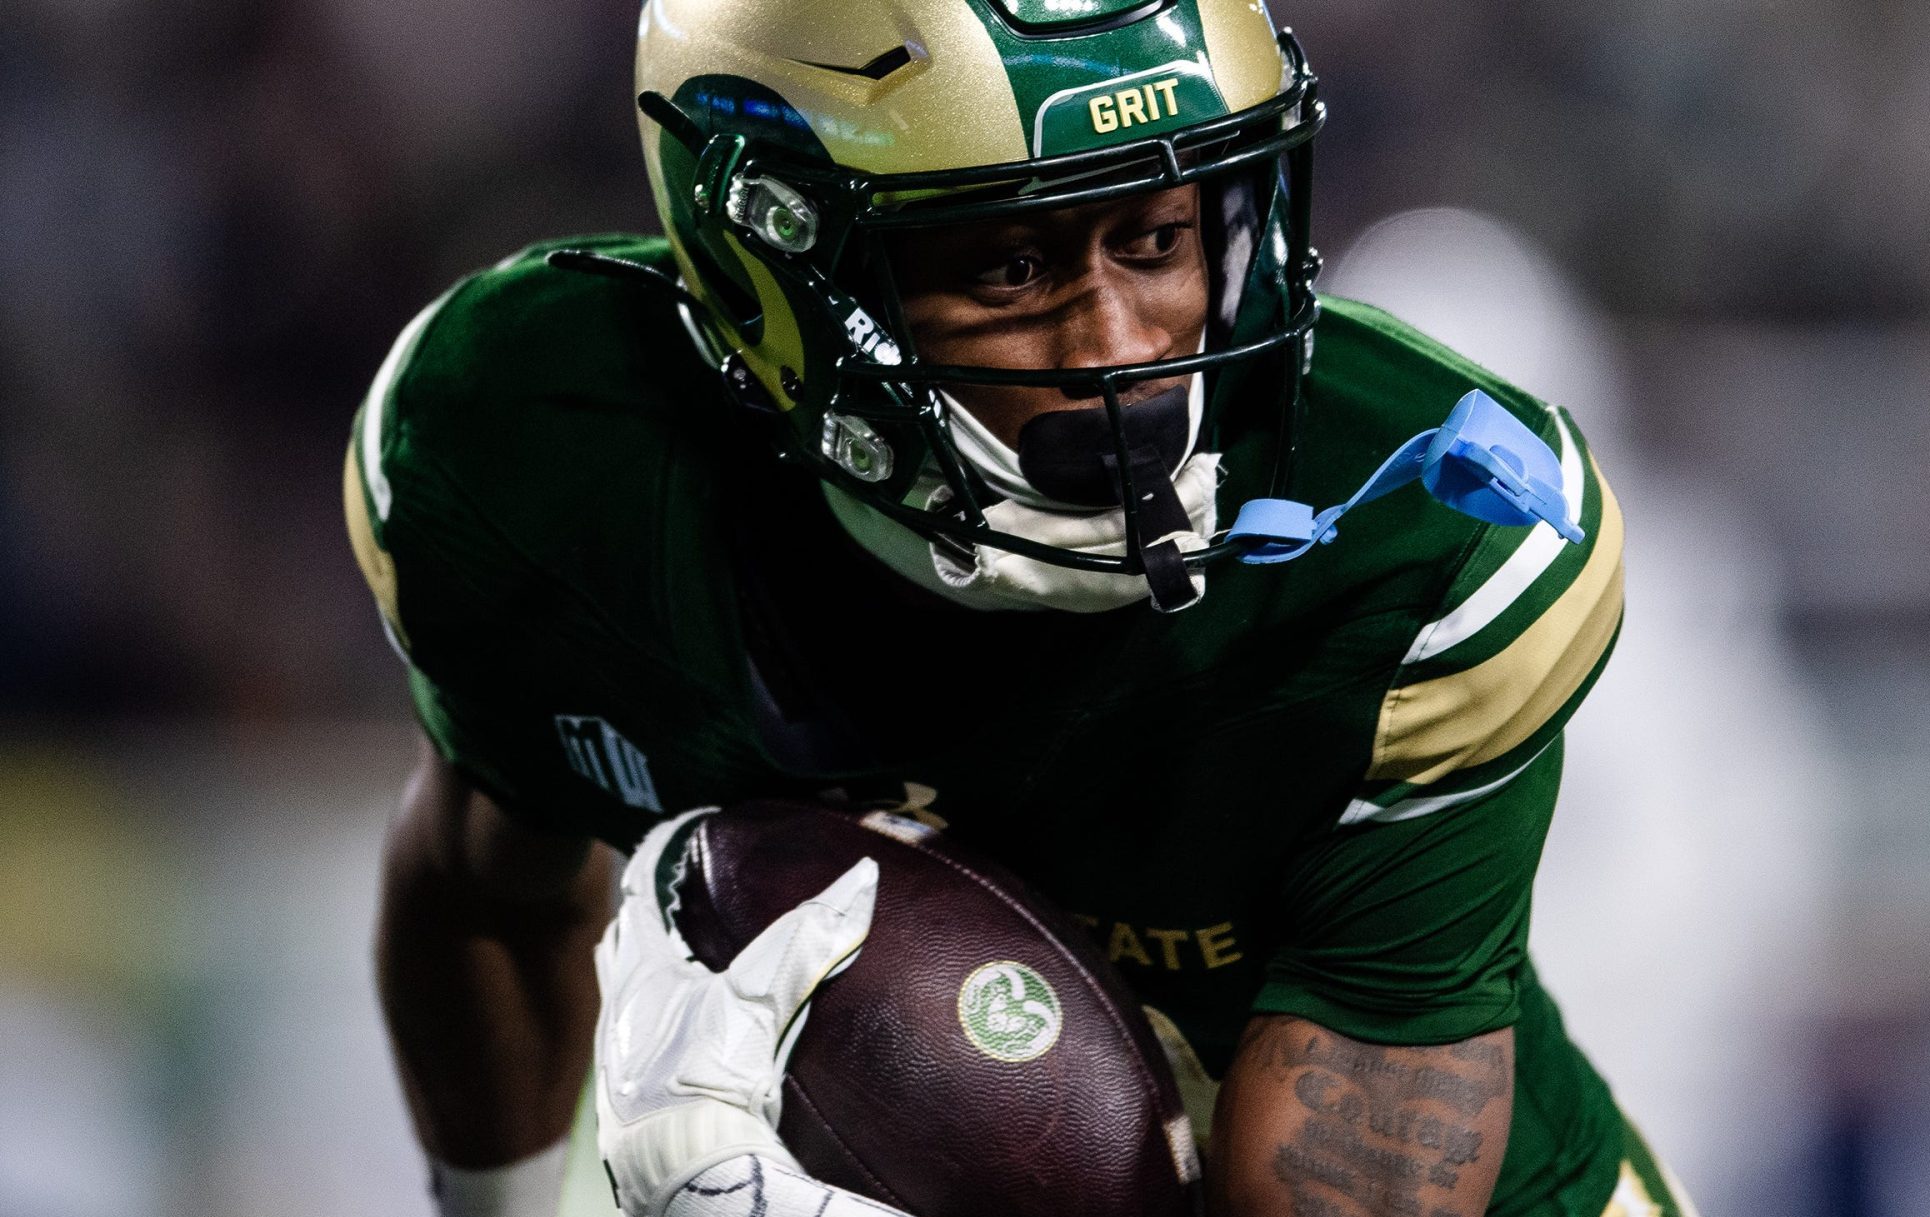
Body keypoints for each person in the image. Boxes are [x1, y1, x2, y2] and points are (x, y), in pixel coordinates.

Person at [344, 2, 1695, 1215]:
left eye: (1157, 237)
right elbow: (484, 894)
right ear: (783, 275)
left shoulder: (1417, 547)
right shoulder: (528, 446)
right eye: (1009, 269)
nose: (1120, 348)